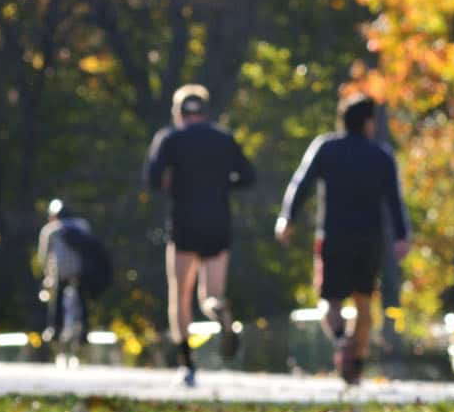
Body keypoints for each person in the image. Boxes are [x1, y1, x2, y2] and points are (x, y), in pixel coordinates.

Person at [275, 94, 410, 385]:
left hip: (333, 236)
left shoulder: (326, 147)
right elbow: (394, 201)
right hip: (369, 239)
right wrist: (401, 236)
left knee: (329, 301)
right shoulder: (381, 155)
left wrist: (287, 218)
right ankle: (356, 364)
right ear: (367, 121)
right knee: (363, 304)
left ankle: (339, 339)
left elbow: (301, 182)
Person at [145, 84, 256, 383]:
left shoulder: (170, 139)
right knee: (212, 294)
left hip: (184, 224)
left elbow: (153, 178)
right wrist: (222, 184)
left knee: (180, 295)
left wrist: (175, 184)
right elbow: (248, 176)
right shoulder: (223, 138)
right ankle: (221, 314)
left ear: (179, 112)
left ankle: (186, 363)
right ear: (205, 111)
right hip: (218, 223)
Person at [36, 199, 98, 353]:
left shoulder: (50, 230)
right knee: (83, 299)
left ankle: (54, 330)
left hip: (61, 272)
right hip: (82, 271)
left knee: (56, 300)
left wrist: (46, 276)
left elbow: (43, 257)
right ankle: (84, 330)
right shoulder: (83, 225)